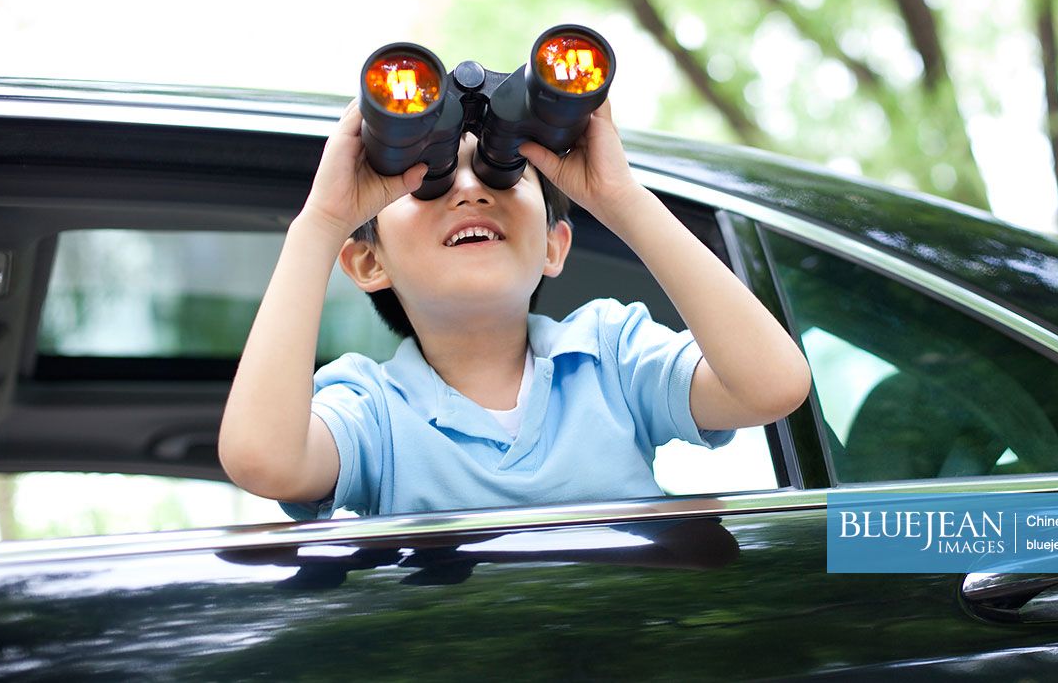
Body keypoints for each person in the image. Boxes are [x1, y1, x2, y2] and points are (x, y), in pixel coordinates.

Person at [218, 96, 812, 518]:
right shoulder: (373, 410)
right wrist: (320, 224)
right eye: (426, 179)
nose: (471, 189)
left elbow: (772, 386)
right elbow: (264, 462)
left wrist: (621, 198)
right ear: (369, 263)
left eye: (504, 174)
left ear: (554, 246)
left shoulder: (609, 352)